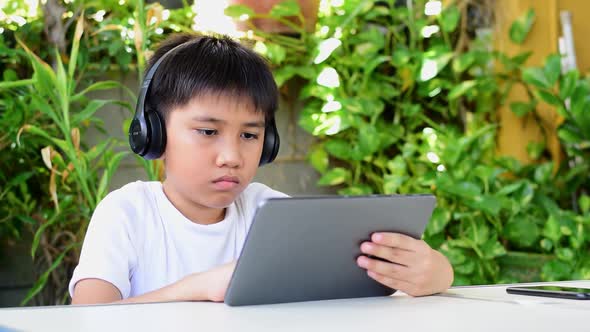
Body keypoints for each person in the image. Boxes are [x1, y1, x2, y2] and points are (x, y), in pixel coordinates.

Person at [70, 33, 454, 305]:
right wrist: (197, 287)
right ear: (151, 132)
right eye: (208, 131)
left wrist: (435, 272)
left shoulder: (271, 213)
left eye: (250, 136)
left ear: (268, 142)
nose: (232, 156)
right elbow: (83, 321)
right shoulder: (127, 213)